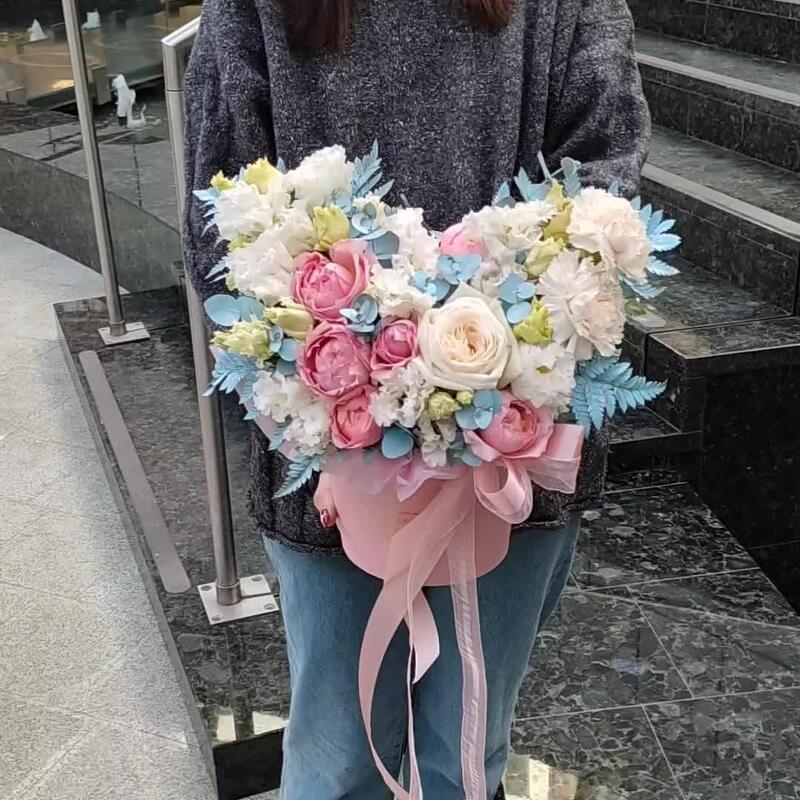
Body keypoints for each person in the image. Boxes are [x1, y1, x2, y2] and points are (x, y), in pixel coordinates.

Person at [184, 1, 650, 797]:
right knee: (339, 755)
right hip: (329, 455)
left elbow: (606, 178)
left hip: (510, 454)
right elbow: (222, 222)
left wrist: (481, 369)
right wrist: (339, 400)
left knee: (465, 753)